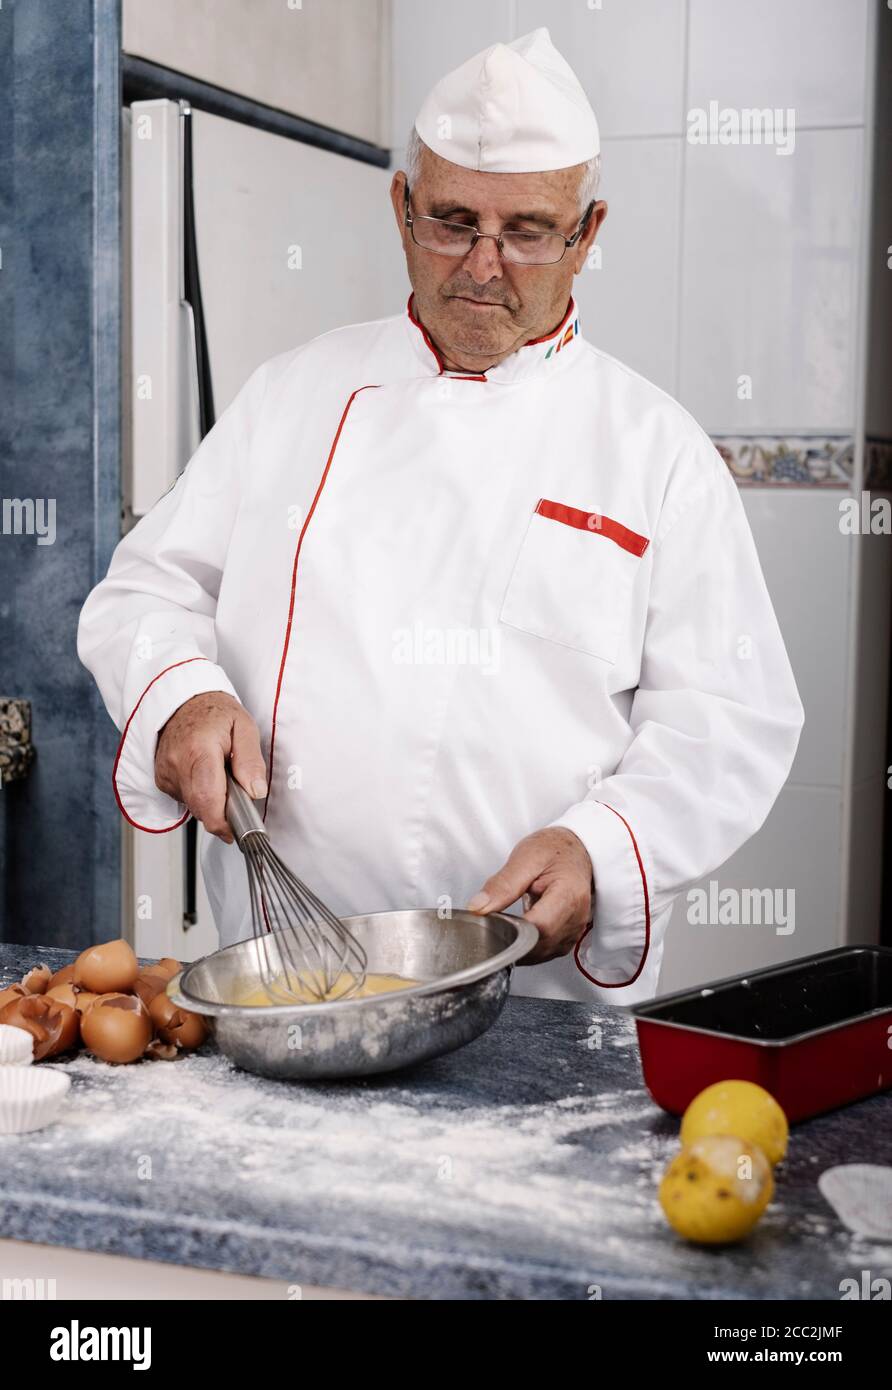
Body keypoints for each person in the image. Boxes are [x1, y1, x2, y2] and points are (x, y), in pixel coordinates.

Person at [78, 28, 804, 1002]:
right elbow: (148, 591)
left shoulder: (655, 450)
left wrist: (602, 847)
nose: (483, 265)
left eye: (529, 231)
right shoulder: (291, 397)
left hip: (533, 1005)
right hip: (287, 981)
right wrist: (182, 696)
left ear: (587, 234)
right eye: (453, 221)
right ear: (400, 208)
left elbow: (728, 716)